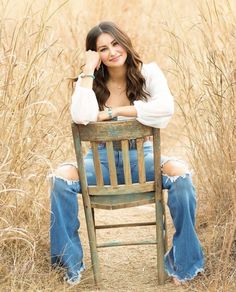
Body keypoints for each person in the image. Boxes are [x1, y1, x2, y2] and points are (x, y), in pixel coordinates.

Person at [50, 21, 204, 285]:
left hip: (141, 159)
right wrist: (87, 70)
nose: (112, 52)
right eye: (102, 48)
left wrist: (115, 112)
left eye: (115, 43)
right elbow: (82, 116)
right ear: (94, 54)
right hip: (98, 164)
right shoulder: (89, 83)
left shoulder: (149, 73)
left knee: (182, 177)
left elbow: (165, 109)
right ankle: (69, 267)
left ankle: (184, 264)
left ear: (124, 42)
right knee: (59, 179)